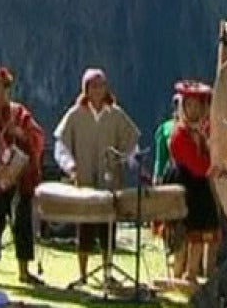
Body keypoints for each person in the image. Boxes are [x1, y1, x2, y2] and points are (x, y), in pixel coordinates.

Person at [54, 68, 140, 288]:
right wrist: (70, 166)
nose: (97, 90)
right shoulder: (75, 114)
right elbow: (61, 145)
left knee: (108, 230)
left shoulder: (116, 114)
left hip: (110, 185)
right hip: (85, 183)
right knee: (85, 230)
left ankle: (107, 273)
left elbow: (131, 144)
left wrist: (134, 163)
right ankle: (83, 274)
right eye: (93, 85)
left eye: (101, 85)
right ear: (86, 89)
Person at [0, 67, 45, 286]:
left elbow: (37, 137)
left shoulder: (18, 113)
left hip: (19, 179)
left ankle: (24, 271)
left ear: (6, 90)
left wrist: (22, 134)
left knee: (22, 223)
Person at [168, 80, 221, 283]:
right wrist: (211, 166)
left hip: (200, 184)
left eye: (197, 105)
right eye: (189, 105)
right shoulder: (179, 134)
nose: (193, 110)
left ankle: (196, 274)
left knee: (204, 230)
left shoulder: (205, 131)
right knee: (184, 232)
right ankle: (178, 274)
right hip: (183, 184)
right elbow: (196, 165)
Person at [152, 93, 186, 278]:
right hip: (170, 178)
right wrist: (157, 180)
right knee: (170, 222)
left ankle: (186, 265)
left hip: (190, 179)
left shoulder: (197, 129)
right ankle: (171, 255)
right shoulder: (165, 129)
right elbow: (160, 158)